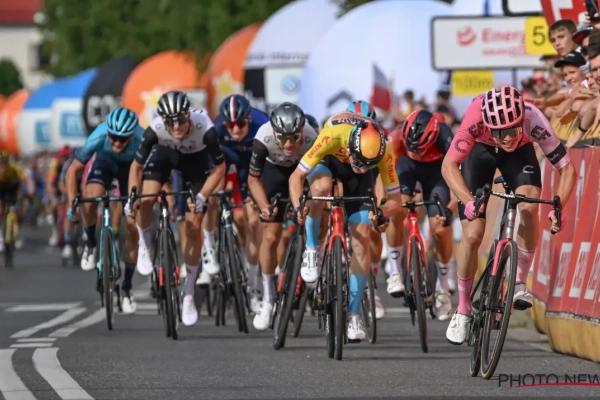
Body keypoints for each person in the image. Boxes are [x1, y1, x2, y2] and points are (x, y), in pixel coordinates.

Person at [441, 85, 576, 345]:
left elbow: (567, 169)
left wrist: (558, 206)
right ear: (488, 124)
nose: (505, 138)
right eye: (499, 132)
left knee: (528, 206)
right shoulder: (475, 116)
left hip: (520, 155)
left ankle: (519, 282)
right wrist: (468, 201)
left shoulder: (533, 117)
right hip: (480, 152)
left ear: (520, 120)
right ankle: (463, 308)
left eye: (511, 130)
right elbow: (449, 165)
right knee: (473, 235)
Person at [289, 111, 402, 341]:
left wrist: (381, 213)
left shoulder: (384, 151)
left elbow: (396, 201)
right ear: (351, 147)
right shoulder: (333, 136)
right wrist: (299, 208)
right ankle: (311, 250)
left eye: (368, 165)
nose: (361, 167)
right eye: (359, 162)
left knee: (362, 236)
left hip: (358, 183)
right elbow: (296, 177)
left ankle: (353, 314)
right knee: (320, 188)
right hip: (330, 161)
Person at [126, 91, 225, 327]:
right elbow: (136, 167)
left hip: (195, 162)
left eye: (180, 119)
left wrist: (202, 196)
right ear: (163, 120)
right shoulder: (156, 130)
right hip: (165, 155)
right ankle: (144, 244)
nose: (177, 126)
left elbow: (220, 168)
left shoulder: (206, 128)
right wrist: (132, 196)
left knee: (193, 226)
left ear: (188, 115)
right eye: (170, 121)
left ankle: (188, 291)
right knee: (145, 199)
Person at [66, 108, 144, 315]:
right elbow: (73, 170)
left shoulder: (142, 139)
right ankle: (91, 244)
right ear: (107, 132)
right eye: (113, 137)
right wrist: (72, 204)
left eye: (123, 139)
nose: (117, 143)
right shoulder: (98, 136)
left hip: (132, 168)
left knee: (132, 225)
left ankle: (126, 288)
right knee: (91, 199)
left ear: (131, 136)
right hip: (105, 162)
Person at [247, 102, 317, 330]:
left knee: (314, 209)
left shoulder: (311, 138)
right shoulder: (263, 138)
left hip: (302, 173)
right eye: (283, 138)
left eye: (294, 138)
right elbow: (253, 179)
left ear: (302, 131)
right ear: (274, 132)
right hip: (274, 174)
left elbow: (319, 179)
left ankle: (311, 255)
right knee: (270, 235)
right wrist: (263, 206)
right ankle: (268, 298)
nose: (289, 144)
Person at [203, 94, 269, 313]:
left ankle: (253, 284)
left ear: (249, 119)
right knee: (212, 197)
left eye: (240, 124)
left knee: (252, 221)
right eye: (230, 125)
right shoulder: (215, 130)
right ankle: (209, 245)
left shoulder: (263, 126)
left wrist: (260, 193)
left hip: (254, 162)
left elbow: (271, 164)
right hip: (226, 159)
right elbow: (209, 166)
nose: (236, 130)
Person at [387, 110, 454, 320]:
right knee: (397, 211)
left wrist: (451, 209)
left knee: (440, 228)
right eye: (411, 147)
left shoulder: (446, 139)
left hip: (437, 173)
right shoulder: (395, 138)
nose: (415, 152)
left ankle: (443, 288)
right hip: (406, 168)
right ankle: (395, 270)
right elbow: (384, 174)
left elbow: (459, 177)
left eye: (420, 149)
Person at [0, 151, 32, 252]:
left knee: (19, 212)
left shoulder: (13, 168)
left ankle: (16, 232)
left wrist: (30, 189)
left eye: (4, 163)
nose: (2, 167)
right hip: (1, 189)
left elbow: (27, 179)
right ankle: (1, 238)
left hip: (12, 189)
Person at [46, 145, 72, 247]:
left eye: (67, 157)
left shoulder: (72, 163)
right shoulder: (55, 163)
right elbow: (50, 180)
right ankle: (54, 228)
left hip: (68, 188)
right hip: (57, 188)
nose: (65, 159)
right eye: (63, 157)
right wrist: (51, 189)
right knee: (54, 205)